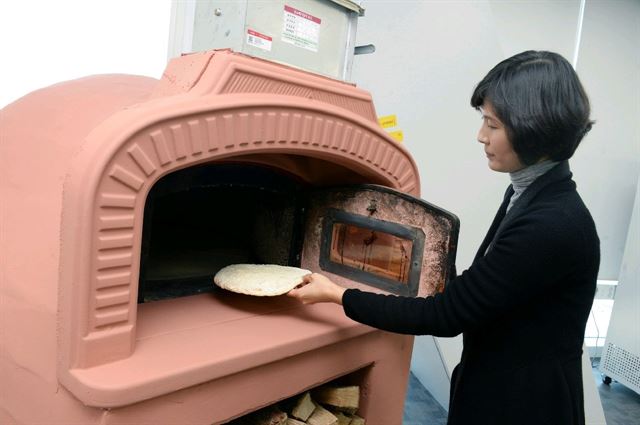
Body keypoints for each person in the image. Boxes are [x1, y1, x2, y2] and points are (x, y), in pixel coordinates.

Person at [287, 50, 599, 425]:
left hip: (524, 404)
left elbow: (447, 315)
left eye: (493, 124)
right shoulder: (532, 194)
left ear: (535, 130)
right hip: (501, 385)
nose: (481, 136)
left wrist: (335, 294)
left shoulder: (552, 223)